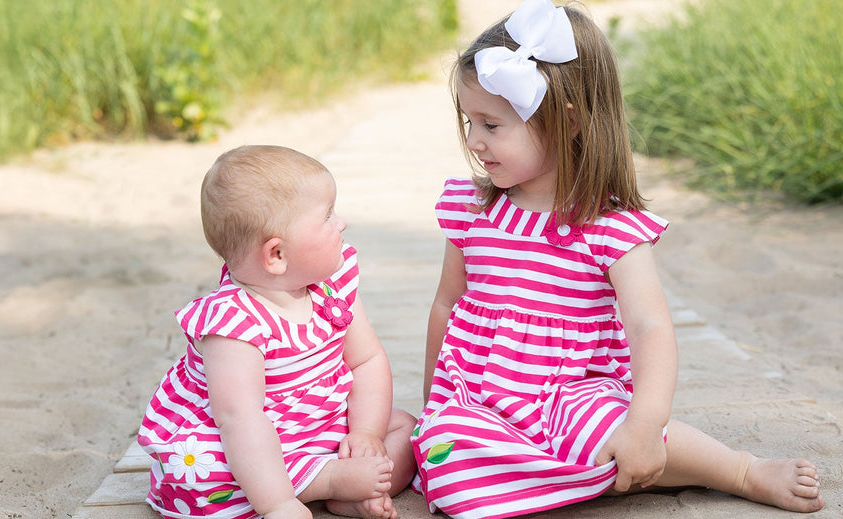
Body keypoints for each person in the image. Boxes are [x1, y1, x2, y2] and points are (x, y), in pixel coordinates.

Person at [411, 1, 826, 518]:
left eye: (491, 125)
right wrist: (434, 405)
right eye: (469, 121)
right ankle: (600, 475)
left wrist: (646, 425)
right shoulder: (470, 210)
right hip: (480, 398)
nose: (473, 141)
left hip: (573, 398)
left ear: (568, 121)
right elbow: (448, 305)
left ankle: (736, 469)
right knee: (442, 456)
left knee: (609, 431)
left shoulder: (608, 228)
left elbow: (651, 327)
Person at [138, 145, 416, 519]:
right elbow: (242, 420)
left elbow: (367, 359)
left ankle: (345, 488)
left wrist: (365, 433)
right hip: (251, 445)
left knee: (406, 430)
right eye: (328, 217)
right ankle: (325, 483)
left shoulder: (332, 284)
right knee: (202, 468)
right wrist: (278, 505)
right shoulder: (234, 324)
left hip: (320, 421)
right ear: (276, 255)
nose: (342, 223)